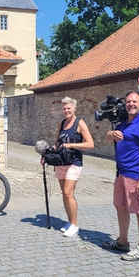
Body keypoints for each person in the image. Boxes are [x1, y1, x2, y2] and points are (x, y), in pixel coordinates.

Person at [102, 90, 139, 261]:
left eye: (134, 101)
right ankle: (123, 242)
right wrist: (111, 134)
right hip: (121, 174)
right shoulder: (125, 123)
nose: (131, 104)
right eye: (128, 102)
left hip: (135, 175)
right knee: (120, 205)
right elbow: (108, 138)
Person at [42, 97, 94, 237]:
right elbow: (57, 143)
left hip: (74, 162)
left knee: (67, 192)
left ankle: (75, 225)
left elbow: (90, 144)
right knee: (65, 194)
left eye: (68, 108)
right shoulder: (62, 123)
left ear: (74, 108)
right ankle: (70, 221)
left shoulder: (80, 123)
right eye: (64, 108)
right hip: (61, 162)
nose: (66, 111)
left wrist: (71, 145)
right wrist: (47, 154)